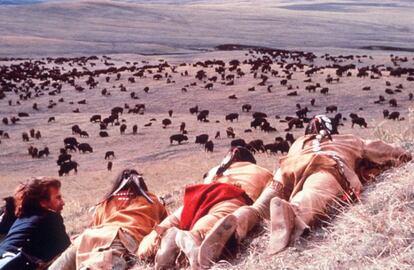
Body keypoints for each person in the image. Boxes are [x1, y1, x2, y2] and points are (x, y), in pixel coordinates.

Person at [225, 115, 412, 256]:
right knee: (313, 192)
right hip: (325, 163)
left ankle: (235, 226)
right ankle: (292, 212)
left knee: (258, 208)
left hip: (287, 169)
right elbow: (388, 151)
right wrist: (406, 155)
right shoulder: (349, 140)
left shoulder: (298, 143)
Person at [138, 146, 273, 269]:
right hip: (231, 195)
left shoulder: (217, 170)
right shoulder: (261, 171)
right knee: (214, 219)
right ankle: (194, 236)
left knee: (173, 220)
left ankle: (155, 242)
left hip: (197, 197)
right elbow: (269, 197)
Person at [49, 169, 168, 270]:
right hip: (121, 237)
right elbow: (166, 227)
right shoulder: (152, 200)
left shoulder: (105, 201)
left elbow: (94, 225)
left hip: (88, 237)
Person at [0, 177, 70, 270]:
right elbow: (66, 250)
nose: (63, 202)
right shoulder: (51, 218)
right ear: (43, 202)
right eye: (58, 198)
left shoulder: (22, 218)